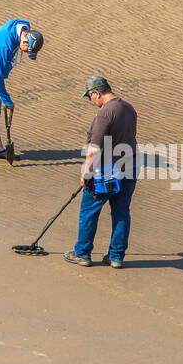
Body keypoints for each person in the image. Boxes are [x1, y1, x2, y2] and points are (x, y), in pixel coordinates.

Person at [65, 75, 138, 269]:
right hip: (129, 168)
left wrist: (85, 173)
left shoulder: (105, 113)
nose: (92, 102)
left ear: (96, 93)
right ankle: (116, 257)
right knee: (121, 212)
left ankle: (82, 253)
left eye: (90, 97)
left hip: (107, 171)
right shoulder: (129, 108)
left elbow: (95, 148)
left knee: (89, 211)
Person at [0, 19, 43, 163]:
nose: (26, 53)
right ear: (24, 42)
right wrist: (7, 100)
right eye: (27, 50)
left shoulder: (24, 28)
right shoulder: (4, 46)